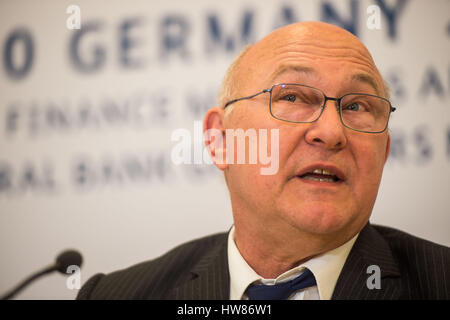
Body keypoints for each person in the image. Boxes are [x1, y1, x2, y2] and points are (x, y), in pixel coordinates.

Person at [77, 21, 450, 300]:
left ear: (383, 152)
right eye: (293, 98)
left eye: (356, 106)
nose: (332, 132)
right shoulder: (117, 295)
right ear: (221, 140)